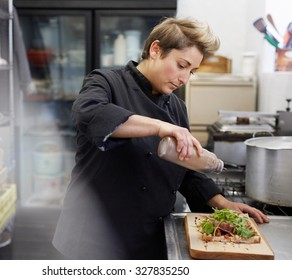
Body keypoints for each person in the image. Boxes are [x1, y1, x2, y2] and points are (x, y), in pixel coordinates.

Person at [52, 17, 269, 260]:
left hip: (151, 236)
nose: (184, 78)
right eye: (181, 65)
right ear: (156, 49)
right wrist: (161, 127)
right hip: (96, 236)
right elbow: (89, 113)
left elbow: (186, 167)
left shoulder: (177, 108)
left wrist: (222, 203)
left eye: (191, 71)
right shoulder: (106, 82)